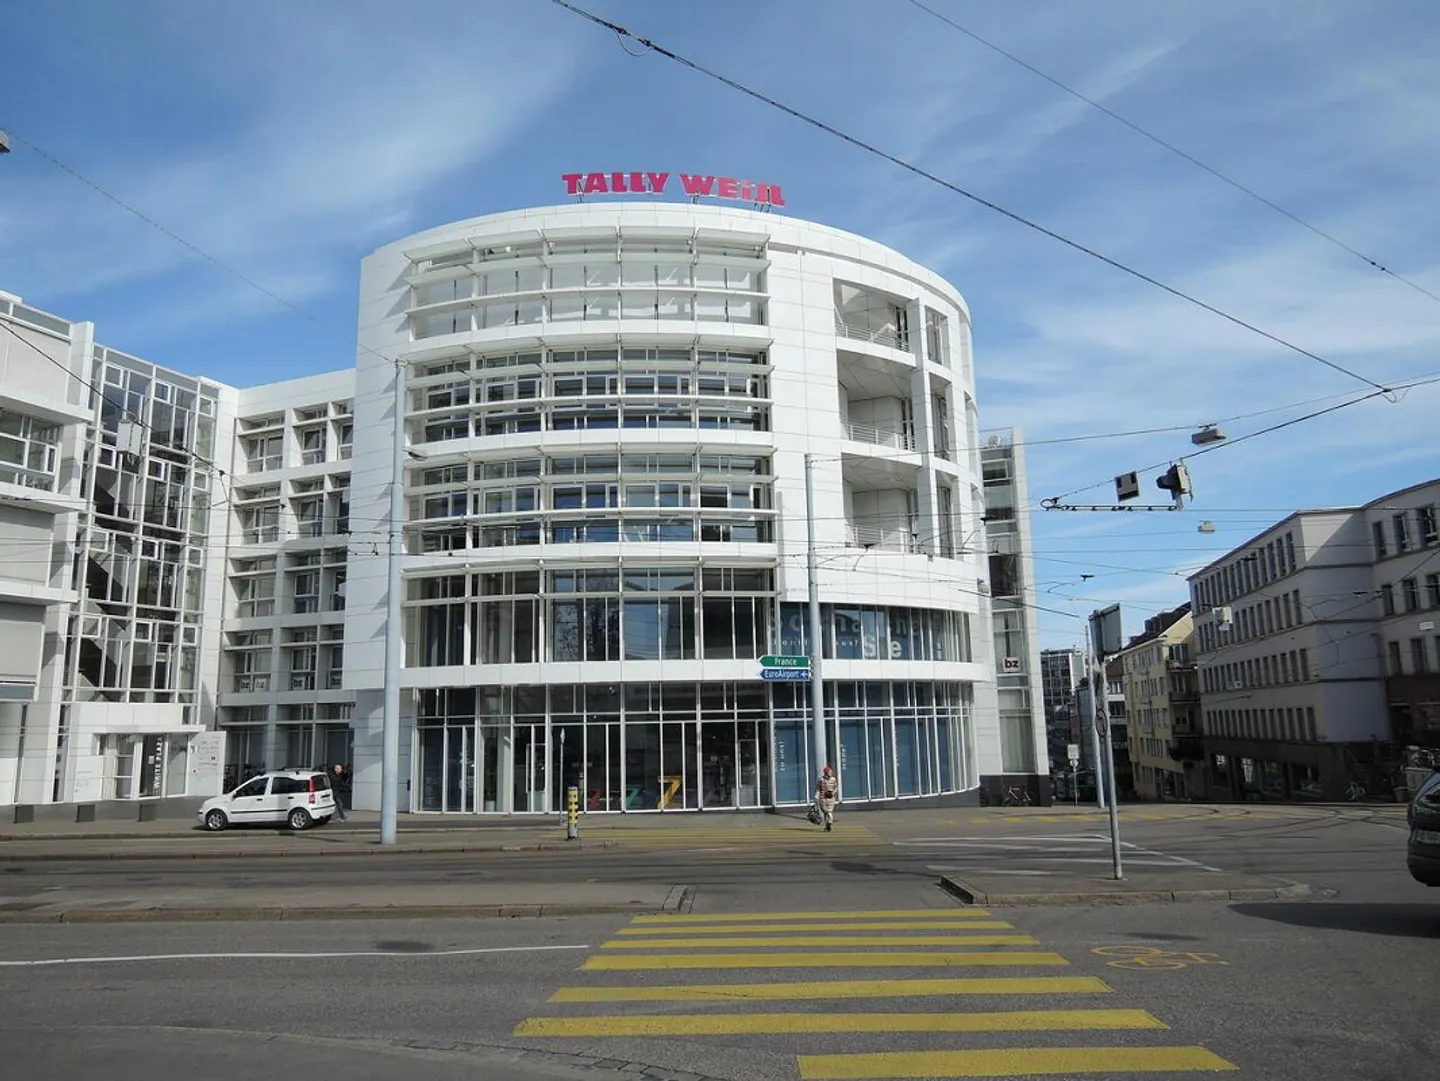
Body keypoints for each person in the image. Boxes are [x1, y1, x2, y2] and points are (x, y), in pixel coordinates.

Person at [815, 765, 839, 832]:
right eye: (830, 772)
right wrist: (816, 796)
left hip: (831, 798)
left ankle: (829, 823)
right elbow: (818, 789)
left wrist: (833, 793)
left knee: (829, 812)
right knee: (825, 812)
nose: (831, 773)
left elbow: (836, 787)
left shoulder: (833, 779)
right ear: (826, 772)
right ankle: (827, 826)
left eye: (831, 772)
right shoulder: (821, 779)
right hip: (823, 799)